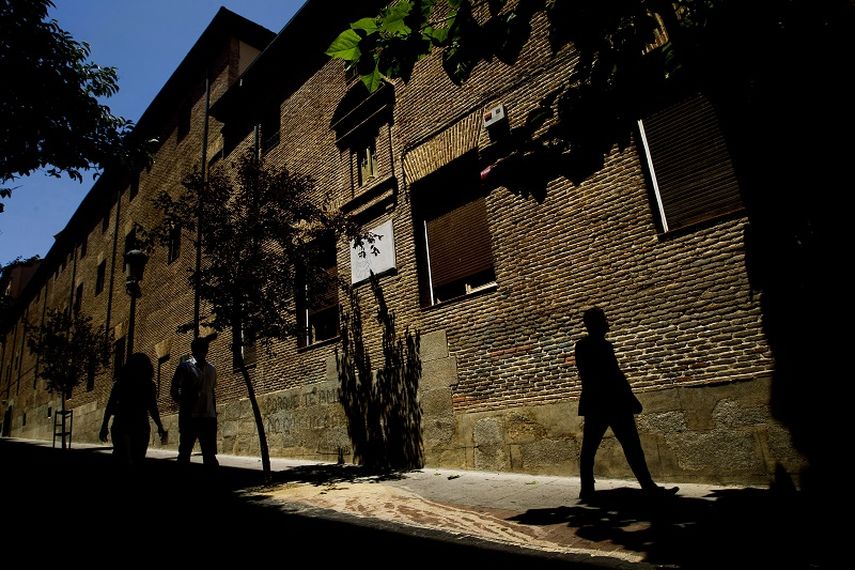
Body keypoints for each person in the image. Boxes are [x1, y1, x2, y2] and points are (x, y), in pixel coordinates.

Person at [575, 307, 678, 501]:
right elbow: (611, 375)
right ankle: (591, 488)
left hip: (604, 403)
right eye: (603, 319)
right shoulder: (591, 346)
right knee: (610, 447)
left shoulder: (591, 346)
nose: (607, 323)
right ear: (596, 324)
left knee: (610, 446)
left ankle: (589, 489)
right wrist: (629, 398)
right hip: (608, 403)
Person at [99, 352, 167, 469]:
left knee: (121, 458)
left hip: (122, 423)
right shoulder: (150, 385)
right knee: (138, 460)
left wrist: (104, 425)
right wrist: (160, 426)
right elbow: (153, 408)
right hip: (140, 425)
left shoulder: (120, 384)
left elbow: (110, 405)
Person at [170, 336, 218, 468]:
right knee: (185, 452)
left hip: (208, 417)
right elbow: (174, 391)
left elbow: (212, 393)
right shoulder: (185, 368)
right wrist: (185, 403)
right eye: (201, 349)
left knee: (209, 455)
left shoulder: (211, 369)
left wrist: (214, 415)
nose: (204, 352)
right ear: (194, 351)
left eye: (205, 349)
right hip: (190, 417)